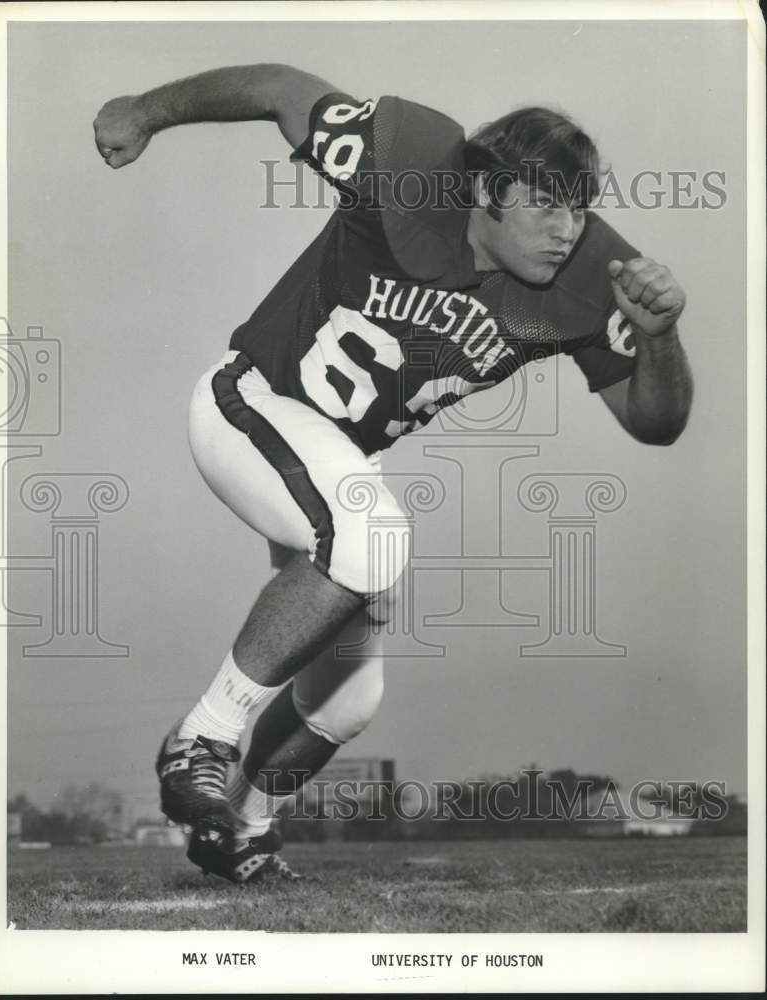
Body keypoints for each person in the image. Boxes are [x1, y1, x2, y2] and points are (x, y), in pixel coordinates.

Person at [93, 64, 692, 884]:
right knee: (370, 533)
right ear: (483, 191)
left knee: (345, 703)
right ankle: (202, 735)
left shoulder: (592, 273)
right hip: (254, 401)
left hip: (338, 463)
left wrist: (658, 338)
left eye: (580, 208)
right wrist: (144, 109)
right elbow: (277, 88)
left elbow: (655, 425)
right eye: (547, 205)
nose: (568, 230)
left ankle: (243, 825)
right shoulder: (406, 163)